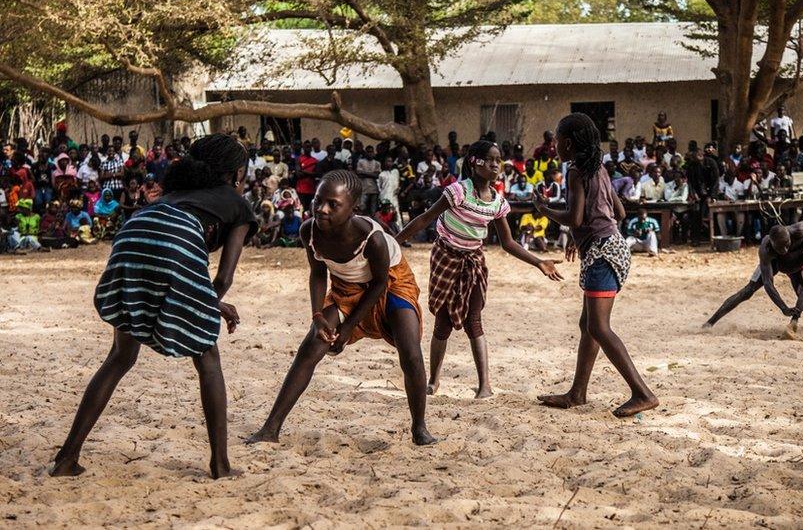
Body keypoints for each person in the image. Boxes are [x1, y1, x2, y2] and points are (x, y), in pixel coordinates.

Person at [50, 134, 256, 479]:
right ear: (237, 174)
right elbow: (223, 280)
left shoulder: (175, 194)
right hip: (176, 240)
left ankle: (67, 457)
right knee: (208, 359)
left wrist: (208, 302)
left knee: (120, 357)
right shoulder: (238, 204)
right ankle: (220, 465)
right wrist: (211, 304)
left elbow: (173, 260)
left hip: (132, 235)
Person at [248, 170, 436, 446]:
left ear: (353, 209)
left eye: (333, 205)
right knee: (312, 346)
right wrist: (316, 317)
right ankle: (270, 428)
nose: (322, 209)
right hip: (346, 286)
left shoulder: (372, 237)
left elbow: (380, 283)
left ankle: (419, 428)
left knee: (410, 351)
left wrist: (347, 329)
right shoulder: (308, 231)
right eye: (317, 201)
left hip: (392, 283)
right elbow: (317, 274)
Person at [395, 141, 562, 398]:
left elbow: (508, 243)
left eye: (499, 160)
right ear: (475, 162)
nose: (496, 165)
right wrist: (394, 243)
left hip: (474, 262)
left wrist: (538, 262)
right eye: (490, 160)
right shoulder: (458, 192)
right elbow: (425, 218)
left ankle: (485, 386)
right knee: (443, 322)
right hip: (446, 257)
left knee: (475, 321)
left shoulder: (497, 202)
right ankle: (434, 381)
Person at [532, 112, 659, 417]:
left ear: (567, 143)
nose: (555, 147)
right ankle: (577, 393)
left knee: (599, 327)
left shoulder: (576, 170)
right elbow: (618, 212)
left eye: (558, 141)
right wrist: (581, 235)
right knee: (587, 325)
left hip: (602, 253)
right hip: (612, 247)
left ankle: (642, 393)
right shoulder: (598, 168)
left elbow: (575, 218)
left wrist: (543, 208)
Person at [703, 221, 803, 328]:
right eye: (780, 248)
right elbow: (768, 284)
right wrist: (783, 307)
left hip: (797, 265)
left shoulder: (802, 228)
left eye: (787, 245)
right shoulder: (765, 250)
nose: (784, 250)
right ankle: (711, 322)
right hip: (776, 264)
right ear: (772, 243)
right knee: (747, 291)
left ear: (789, 236)